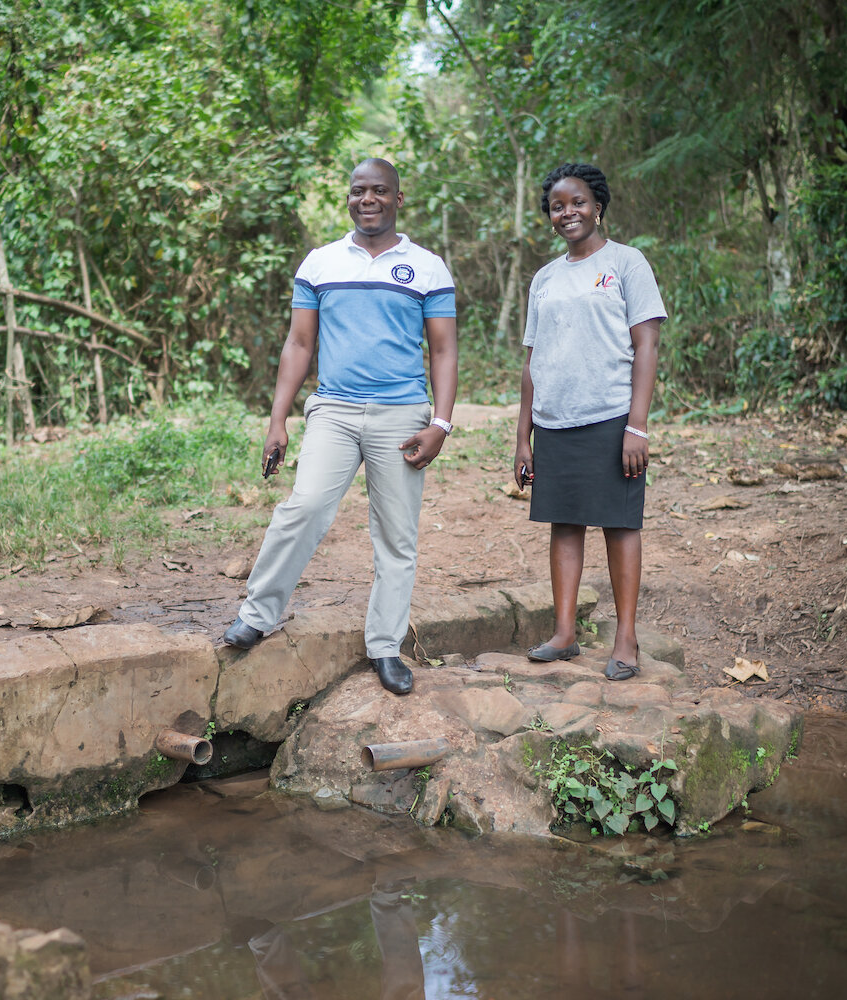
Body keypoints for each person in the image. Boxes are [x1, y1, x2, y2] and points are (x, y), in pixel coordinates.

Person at [222, 158, 459, 697]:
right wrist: (278, 418)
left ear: (398, 199)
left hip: (401, 415)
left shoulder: (426, 267)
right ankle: (258, 614)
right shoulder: (321, 263)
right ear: (348, 199)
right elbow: (299, 344)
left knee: (397, 536)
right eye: (358, 191)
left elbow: (443, 350)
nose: (367, 199)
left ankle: (384, 646)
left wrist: (440, 423)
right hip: (333, 409)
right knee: (303, 506)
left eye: (379, 191)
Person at [514, 163, 665, 682]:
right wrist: (523, 439)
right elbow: (532, 360)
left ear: (597, 205)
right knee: (565, 522)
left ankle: (626, 638)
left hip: (610, 416)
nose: (567, 212)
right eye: (557, 206)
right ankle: (564, 633)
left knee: (621, 524)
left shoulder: (627, 263)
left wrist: (637, 425)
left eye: (577, 202)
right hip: (555, 421)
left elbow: (646, 344)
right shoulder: (545, 278)